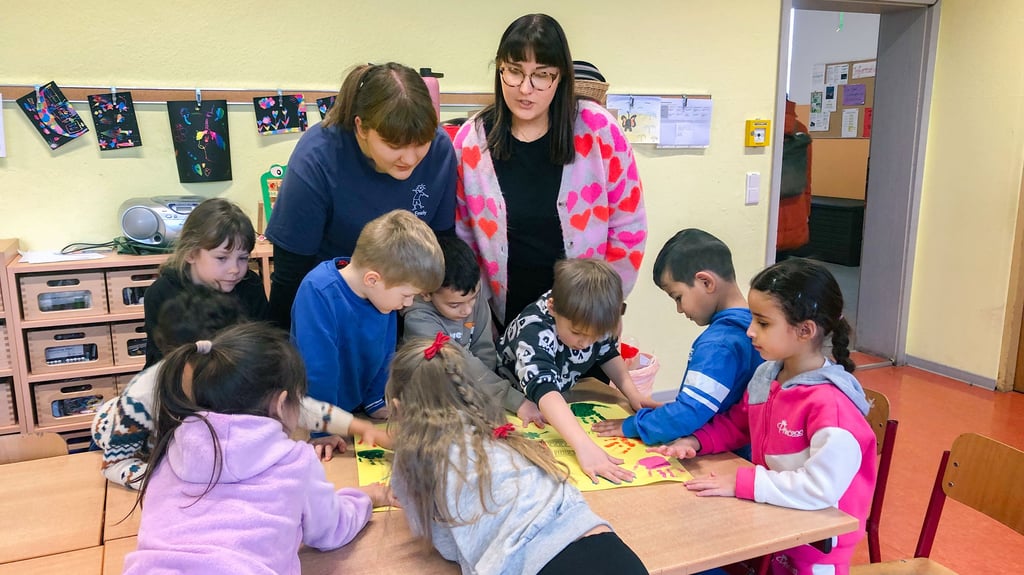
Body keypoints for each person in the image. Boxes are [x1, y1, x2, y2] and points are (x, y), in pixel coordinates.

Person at [651, 258, 876, 575]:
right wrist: (696, 441)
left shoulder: (832, 407)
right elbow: (738, 423)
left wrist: (743, 482)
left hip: (817, 544)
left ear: (804, 330)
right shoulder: (768, 375)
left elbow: (819, 489)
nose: (750, 331)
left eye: (763, 323)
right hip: (774, 521)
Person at [122, 323, 393, 574]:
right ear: (281, 402)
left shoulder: (172, 448)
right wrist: (367, 498)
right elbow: (331, 530)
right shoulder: (294, 460)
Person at [387, 336, 649, 575]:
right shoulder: (499, 432)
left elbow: (442, 542)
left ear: (398, 407)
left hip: (539, 565)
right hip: (610, 549)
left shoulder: (415, 457)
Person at [454, 13, 647, 329]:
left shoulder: (598, 131)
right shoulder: (473, 140)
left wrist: (606, 302)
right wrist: (476, 311)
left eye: (542, 75)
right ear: (500, 69)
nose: (526, 89)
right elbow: (464, 234)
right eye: (514, 72)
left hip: (584, 317)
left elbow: (629, 225)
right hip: (501, 315)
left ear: (561, 77)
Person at [93, 291, 385, 489]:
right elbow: (116, 464)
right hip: (125, 441)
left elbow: (299, 407)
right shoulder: (140, 401)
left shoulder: (230, 371)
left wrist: (361, 427)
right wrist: (170, 480)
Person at [265, 62, 457, 330]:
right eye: (394, 146)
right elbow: (290, 274)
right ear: (362, 128)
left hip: (403, 304)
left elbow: (443, 240)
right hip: (330, 307)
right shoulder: (319, 156)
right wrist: (279, 349)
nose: (411, 159)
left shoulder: (440, 149)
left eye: (421, 143)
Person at [592, 229, 763, 445]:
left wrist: (634, 425)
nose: (680, 309)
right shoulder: (754, 326)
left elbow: (689, 413)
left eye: (678, 297)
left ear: (706, 282)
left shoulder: (718, 343)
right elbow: (711, 404)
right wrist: (671, 412)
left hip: (725, 452)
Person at [496, 258, 658, 484]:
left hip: (557, 397)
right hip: (513, 401)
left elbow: (608, 353)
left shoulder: (594, 319)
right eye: (578, 333)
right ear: (552, 307)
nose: (585, 343)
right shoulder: (534, 329)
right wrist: (584, 447)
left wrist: (632, 394)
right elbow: (544, 389)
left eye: (594, 336)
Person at [291, 209, 444, 420]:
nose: (408, 304)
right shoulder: (318, 291)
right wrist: (323, 427)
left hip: (353, 411)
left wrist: (375, 400)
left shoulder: (382, 294)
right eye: (407, 295)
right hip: (313, 415)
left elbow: (385, 353)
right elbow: (318, 370)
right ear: (372, 279)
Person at [143, 197, 267, 367]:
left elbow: (264, 345)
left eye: (243, 258)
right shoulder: (161, 292)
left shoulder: (250, 285)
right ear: (191, 254)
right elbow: (160, 361)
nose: (235, 269)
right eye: (222, 258)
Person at [401, 235, 513, 405]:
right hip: (430, 398)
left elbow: (484, 350)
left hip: (473, 390)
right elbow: (460, 362)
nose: (467, 309)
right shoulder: (418, 320)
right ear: (426, 293)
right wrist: (513, 400)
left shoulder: (469, 293)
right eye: (454, 305)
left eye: (474, 298)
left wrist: (486, 396)